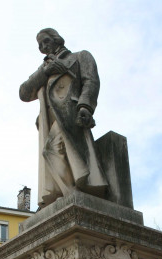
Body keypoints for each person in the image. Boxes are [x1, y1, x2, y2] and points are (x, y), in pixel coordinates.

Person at [19, 28, 108, 208]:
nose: (43, 46)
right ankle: (68, 192)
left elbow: (91, 81)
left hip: (70, 113)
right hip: (51, 120)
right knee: (52, 152)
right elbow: (24, 93)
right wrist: (45, 71)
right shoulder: (44, 69)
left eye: (46, 41)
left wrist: (85, 106)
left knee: (51, 150)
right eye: (40, 45)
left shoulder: (79, 57)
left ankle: (72, 192)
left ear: (57, 39)